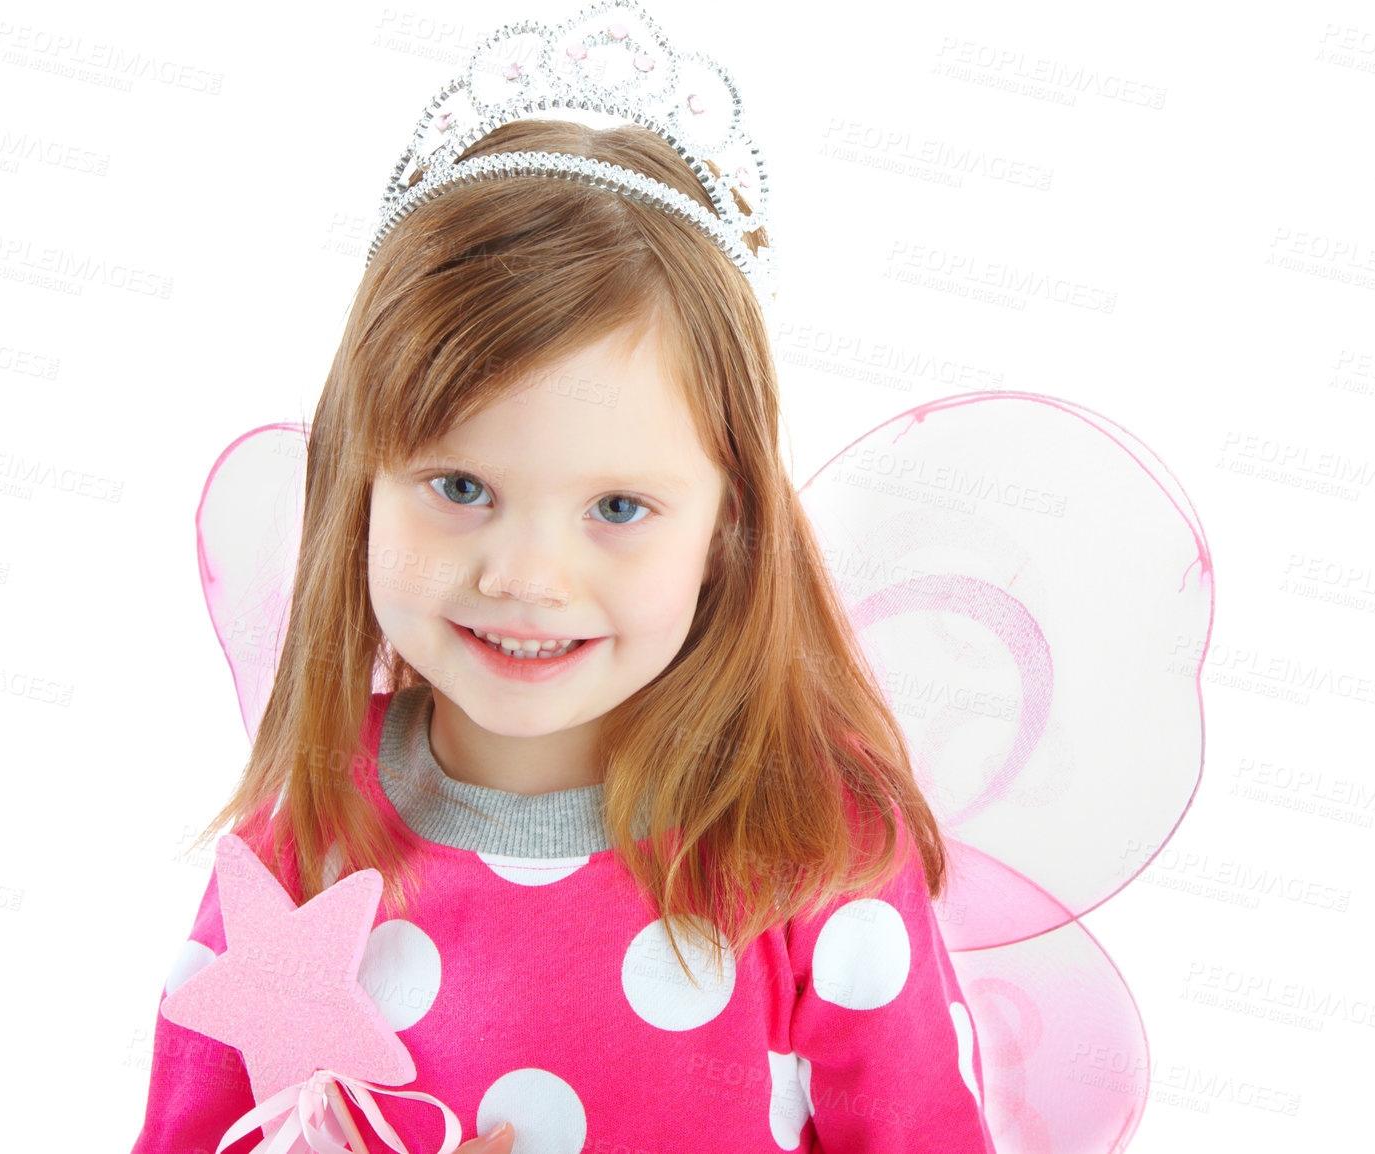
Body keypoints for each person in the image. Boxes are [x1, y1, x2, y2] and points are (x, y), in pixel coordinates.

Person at [130, 4, 999, 1152]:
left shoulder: (812, 862)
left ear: (727, 525)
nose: (529, 575)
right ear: (356, 481)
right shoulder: (307, 842)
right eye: (459, 486)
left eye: (618, 508)